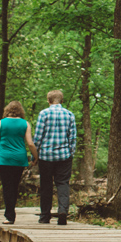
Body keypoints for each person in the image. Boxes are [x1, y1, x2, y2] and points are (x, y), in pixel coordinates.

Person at [0, 101, 38, 225]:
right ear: (21, 111)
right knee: (14, 186)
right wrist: (35, 157)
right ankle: (11, 213)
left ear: (7, 110)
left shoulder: (0, 123)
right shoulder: (25, 124)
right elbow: (30, 143)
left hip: (4, 159)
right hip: (19, 159)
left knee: (6, 186)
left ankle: (9, 215)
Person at [33, 89, 77, 225]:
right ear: (61, 100)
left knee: (46, 185)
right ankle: (63, 211)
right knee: (63, 183)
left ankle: (45, 216)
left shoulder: (43, 114)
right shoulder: (69, 114)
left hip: (46, 156)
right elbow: (73, 137)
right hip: (64, 156)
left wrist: (34, 155)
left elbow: (38, 137)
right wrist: (71, 153)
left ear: (48, 100)